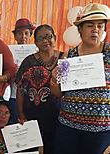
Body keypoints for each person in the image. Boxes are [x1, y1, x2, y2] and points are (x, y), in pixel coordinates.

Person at [52, 3, 110, 154]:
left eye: (100, 26)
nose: (95, 30)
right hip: (68, 126)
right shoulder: (68, 55)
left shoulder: (109, 53)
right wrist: (54, 79)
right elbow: (58, 93)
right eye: (90, 25)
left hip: (101, 130)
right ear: (80, 29)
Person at [15, 24, 62, 154]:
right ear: (35, 42)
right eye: (40, 38)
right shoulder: (28, 61)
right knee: (33, 149)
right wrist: (20, 113)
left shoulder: (65, 59)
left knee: (55, 147)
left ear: (55, 37)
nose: (45, 41)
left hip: (59, 114)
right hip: (32, 114)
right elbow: (20, 88)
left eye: (48, 36)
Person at [9, 18, 36, 123]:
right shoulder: (9, 52)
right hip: (14, 93)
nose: (23, 37)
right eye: (20, 33)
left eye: (26, 33)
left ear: (30, 35)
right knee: (15, 123)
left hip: (31, 95)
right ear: (15, 36)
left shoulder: (36, 53)